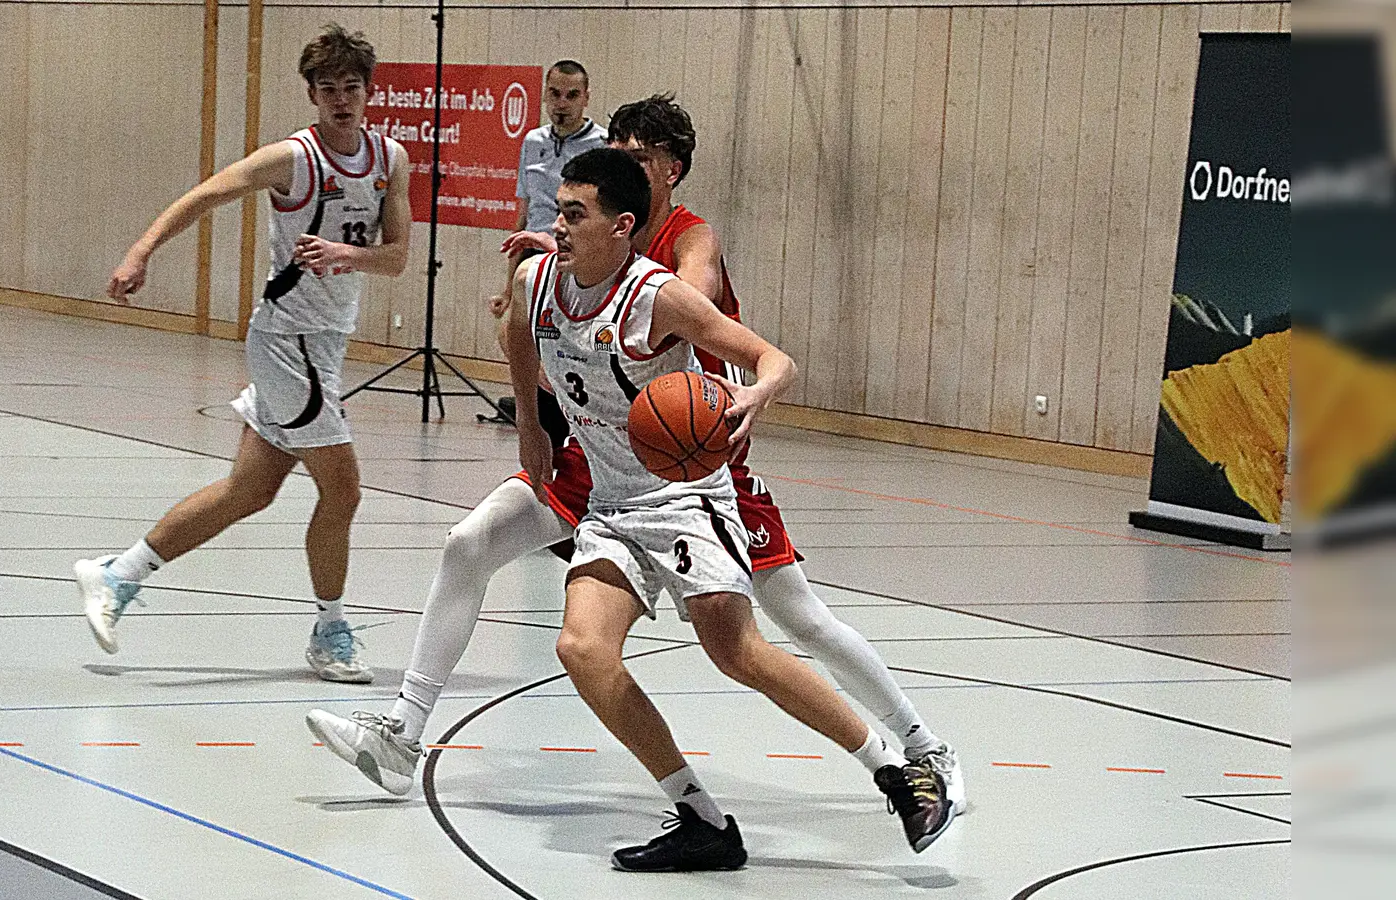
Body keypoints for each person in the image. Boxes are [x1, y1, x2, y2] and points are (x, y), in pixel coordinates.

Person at [312, 148, 954, 871]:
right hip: (613, 504)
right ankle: (702, 820)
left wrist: (754, 394)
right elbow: (520, 335)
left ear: (621, 226)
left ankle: (898, 774)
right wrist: (530, 426)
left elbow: (776, 360)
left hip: (687, 501)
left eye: (575, 214)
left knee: (736, 651)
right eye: (559, 210)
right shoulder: (536, 278)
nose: (559, 225)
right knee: (582, 649)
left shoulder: (656, 297)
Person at [74, 23, 411, 684]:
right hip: (287, 345)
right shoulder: (293, 159)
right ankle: (331, 632)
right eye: (328, 88)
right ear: (312, 94)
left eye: (352, 87)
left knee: (248, 491)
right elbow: (206, 194)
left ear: (369, 91)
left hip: (326, 344)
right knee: (343, 491)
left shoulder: (388, 158)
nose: (341, 99)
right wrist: (141, 251)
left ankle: (118, 574)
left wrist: (347, 254)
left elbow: (397, 258)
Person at [487, 60, 608, 321]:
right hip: (533, 255)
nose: (562, 104)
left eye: (572, 95)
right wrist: (507, 290)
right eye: (555, 94)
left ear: (586, 98)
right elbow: (524, 216)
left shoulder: (602, 145)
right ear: (544, 94)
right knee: (513, 334)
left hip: (575, 256)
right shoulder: (532, 142)